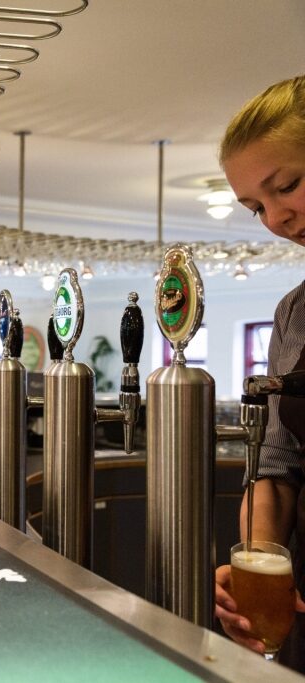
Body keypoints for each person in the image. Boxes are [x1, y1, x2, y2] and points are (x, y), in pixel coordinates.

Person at [213, 74, 305, 662]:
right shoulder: (294, 313)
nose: (276, 218)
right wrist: (259, 559)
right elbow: (277, 462)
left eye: (288, 185)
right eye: (256, 208)